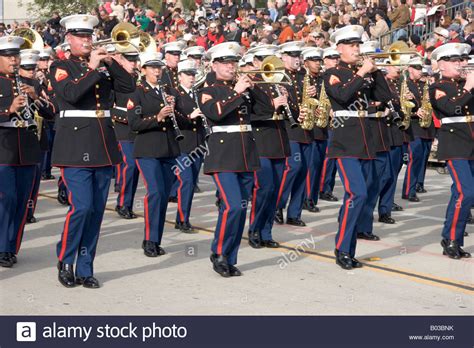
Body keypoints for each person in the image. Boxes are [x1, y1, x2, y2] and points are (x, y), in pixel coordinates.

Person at [50, 14, 135, 288]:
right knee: (82, 206)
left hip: (103, 146)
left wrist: (114, 63)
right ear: (69, 39)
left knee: (97, 210)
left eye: (89, 36)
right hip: (74, 147)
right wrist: (94, 67)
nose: (87, 41)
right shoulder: (60, 66)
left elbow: (128, 88)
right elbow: (71, 95)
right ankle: (65, 259)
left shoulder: (101, 67)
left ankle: (85, 268)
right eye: (81, 37)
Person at [324, 25, 391, 270]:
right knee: (357, 194)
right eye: (352, 45)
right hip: (345, 143)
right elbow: (342, 96)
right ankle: (342, 248)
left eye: (358, 45)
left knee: (362, 196)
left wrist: (377, 72)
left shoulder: (361, 73)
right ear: (339, 48)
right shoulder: (333, 73)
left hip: (365, 142)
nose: (356, 49)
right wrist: (362, 72)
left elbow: (385, 96)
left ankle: (349, 249)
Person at [198, 42, 261, 277]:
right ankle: (219, 253)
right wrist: (237, 92)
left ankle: (230, 257)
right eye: (225, 63)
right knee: (232, 206)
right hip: (222, 156)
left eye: (233, 62)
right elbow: (215, 113)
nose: (231, 67)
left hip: (245, 154)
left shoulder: (241, 87)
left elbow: (264, 110)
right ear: (214, 65)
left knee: (240, 209)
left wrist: (253, 88)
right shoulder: (207, 89)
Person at [0, 37, 50, 267]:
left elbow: (51, 113)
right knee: (6, 198)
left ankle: (11, 247)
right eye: (8, 56)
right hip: (4, 147)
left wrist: (35, 96)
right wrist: (8, 109)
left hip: (28, 147)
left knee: (22, 201)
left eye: (15, 55)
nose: (13, 59)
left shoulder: (29, 83)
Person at [126, 51, 181, 257]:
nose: (157, 71)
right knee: (155, 192)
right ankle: (149, 239)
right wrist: (157, 117)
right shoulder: (137, 93)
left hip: (168, 149)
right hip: (147, 149)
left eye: (159, 67)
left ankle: (156, 240)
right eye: (152, 68)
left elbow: (183, 120)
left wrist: (175, 108)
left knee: (164, 195)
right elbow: (134, 123)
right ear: (144, 70)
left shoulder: (169, 91)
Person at [429, 43, 473, 259]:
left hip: (471, 142)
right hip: (454, 143)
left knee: (460, 192)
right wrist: (468, 88)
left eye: (461, 60)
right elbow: (451, 108)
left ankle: (451, 237)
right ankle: (453, 239)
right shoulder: (438, 86)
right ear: (441, 65)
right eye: (454, 61)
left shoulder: (466, 84)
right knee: (467, 191)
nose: (460, 64)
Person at [247, 44, 291, 249]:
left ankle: (267, 232)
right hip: (261, 142)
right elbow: (249, 115)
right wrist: (272, 106)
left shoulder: (278, 83)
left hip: (279, 142)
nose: (269, 64)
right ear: (256, 62)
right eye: (264, 59)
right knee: (263, 189)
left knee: (275, 191)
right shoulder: (251, 85)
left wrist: (287, 100)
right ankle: (254, 229)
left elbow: (292, 113)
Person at [275, 40, 313, 227]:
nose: (296, 59)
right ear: (283, 57)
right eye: (292, 56)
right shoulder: (278, 76)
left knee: (303, 171)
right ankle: (277, 205)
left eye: (298, 56)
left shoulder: (302, 76)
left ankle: (294, 213)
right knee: (293, 167)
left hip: (305, 129)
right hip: (289, 129)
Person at [171, 59, 207, 233]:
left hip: (198, 144)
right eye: (188, 74)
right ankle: (182, 219)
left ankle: (184, 217)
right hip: (182, 144)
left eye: (193, 74)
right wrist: (190, 117)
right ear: (179, 76)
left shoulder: (197, 94)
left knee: (191, 183)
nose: (191, 78)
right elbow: (173, 118)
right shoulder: (173, 94)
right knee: (186, 181)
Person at [112, 49, 141, 220]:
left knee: (135, 168)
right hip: (122, 128)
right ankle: (122, 203)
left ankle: (127, 204)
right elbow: (110, 104)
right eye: (130, 61)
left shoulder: (138, 79)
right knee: (129, 165)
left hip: (138, 129)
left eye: (135, 61)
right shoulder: (115, 80)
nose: (134, 64)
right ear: (121, 62)